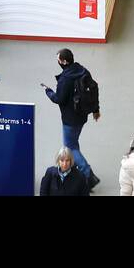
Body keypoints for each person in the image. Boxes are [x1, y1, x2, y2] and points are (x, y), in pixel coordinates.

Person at [42, 48, 100, 187]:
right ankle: (77, 168)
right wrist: (96, 109)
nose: (58, 62)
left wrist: (48, 91)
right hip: (81, 116)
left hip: (70, 119)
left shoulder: (66, 79)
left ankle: (88, 175)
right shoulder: (82, 70)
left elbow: (59, 99)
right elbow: (93, 89)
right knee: (73, 142)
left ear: (64, 61)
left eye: (58, 60)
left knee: (70, 147)